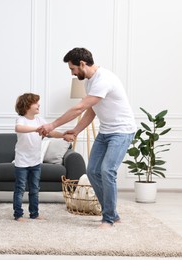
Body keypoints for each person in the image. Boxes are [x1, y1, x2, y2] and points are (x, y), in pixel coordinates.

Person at [38, 47, 136, 228]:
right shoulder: (89, 82)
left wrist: (52, 125)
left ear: (82, 64)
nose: (73, 73)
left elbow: (79, 108)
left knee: (107, 171)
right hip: (106, 131)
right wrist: (75, 130)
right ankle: (112, 214)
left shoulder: (103, 79)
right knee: (92, 171)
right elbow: (91, 111)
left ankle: (108, 218)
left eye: (72, 68)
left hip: (122, 131)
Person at [13, 93, 72, 222]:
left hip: (35, 162)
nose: (39, 105)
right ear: (27, 105)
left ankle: (34, 214)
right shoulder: (21, 119)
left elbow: (50, 132)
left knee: (34, 189)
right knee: (20, 189)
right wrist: (37, 129)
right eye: (36, 103)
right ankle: (18, 215)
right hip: (22, 162)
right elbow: (19, 128)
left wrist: (63, 135)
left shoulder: (40, 120)